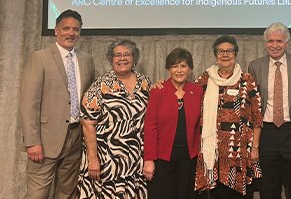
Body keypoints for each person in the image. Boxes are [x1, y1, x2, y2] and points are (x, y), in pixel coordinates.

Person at [19, 9, 96, 199]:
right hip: (44, 141)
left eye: (75, 29)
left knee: (67, 192)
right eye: (66, 28)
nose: (71, 33)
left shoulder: (87, 60)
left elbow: (91, 98)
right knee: (38, 194)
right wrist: (32, 142)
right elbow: (29, 103)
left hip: (76, 137)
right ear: (56, 30)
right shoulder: (40, 58)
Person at [78, 39, 152, 198]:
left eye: (127, 54)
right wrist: (92, 159)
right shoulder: (100, 85)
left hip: (137, 160)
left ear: (134, 59)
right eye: (117, 55)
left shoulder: (145, 83)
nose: (122, 58)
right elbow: (87, 124)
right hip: (106, 161)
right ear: (111, 59)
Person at [248, 22, 291, 199]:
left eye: (279, 41)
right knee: (268, 190)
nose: (274, 45)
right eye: (270, 41)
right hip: (266, 134)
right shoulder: (255, 66)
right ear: (265, 43)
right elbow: (252, 106)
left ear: (287, 43)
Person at [195, 35, 263, 198]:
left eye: (229, 51)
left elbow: (257, 115)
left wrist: (255, 147)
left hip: (240, 151)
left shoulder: (247, 79)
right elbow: (189, 98)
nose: (225, 54)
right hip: (215, 151)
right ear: (215, 54)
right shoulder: (205, 78)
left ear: (236, 53)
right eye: (220, 51)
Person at [143, 47, 204, 198]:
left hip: (189, 159)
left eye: (183, 66)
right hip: (162, 158)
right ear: (168, 69)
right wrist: (148, 159)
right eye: (174, 66)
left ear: (190, 68)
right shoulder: (158, 91)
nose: (179, 70)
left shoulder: (197, 91)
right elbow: (150, 127)